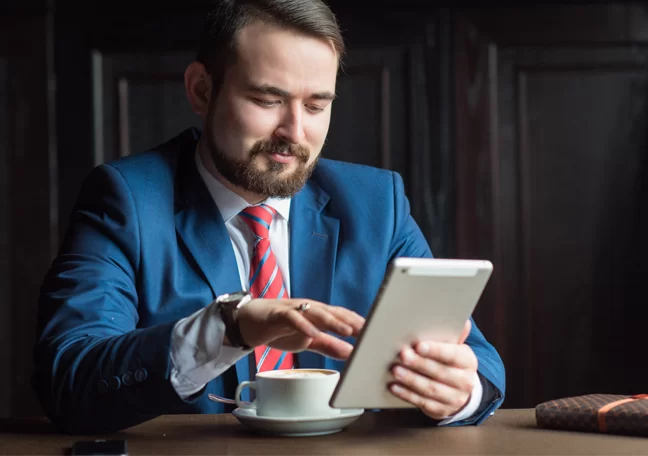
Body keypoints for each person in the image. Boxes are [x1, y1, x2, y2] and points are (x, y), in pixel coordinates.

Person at [32, 0, 505, 434]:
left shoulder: (377, 202)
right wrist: (227, 329)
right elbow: (69, 378)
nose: (295, 133)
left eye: (317, 105)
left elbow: (478, 361)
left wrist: (459, 392)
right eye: (267, 100)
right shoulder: (126, 199)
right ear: (201, 89)